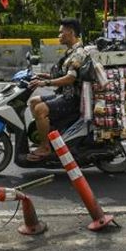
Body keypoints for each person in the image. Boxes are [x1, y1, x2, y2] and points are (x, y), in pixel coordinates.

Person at [26, 18, 87, 161]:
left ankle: (45, 147)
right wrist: (41, 76)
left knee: (40, 109)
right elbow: (63, 74)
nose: (59, 36)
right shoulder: (71, 52)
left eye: (61, 33)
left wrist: (45, 83)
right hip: (65, 95)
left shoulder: (78, 53)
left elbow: (70, 78)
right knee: (34, 102)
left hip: (72, 98)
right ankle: (51, 134)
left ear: (71, 32)